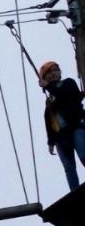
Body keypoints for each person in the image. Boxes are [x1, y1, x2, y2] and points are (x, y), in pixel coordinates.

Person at [38, 60, 85, 192]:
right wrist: (51, 142)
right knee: (69, 167)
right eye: (49, 72)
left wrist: (48, 86)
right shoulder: (50, 101)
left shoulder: (68, 83)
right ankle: (75, 191)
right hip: (61, 136)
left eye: (55, 70)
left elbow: (67, 96)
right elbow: (49, 121)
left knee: (84, 155)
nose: (53, 74)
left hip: (76, 126)